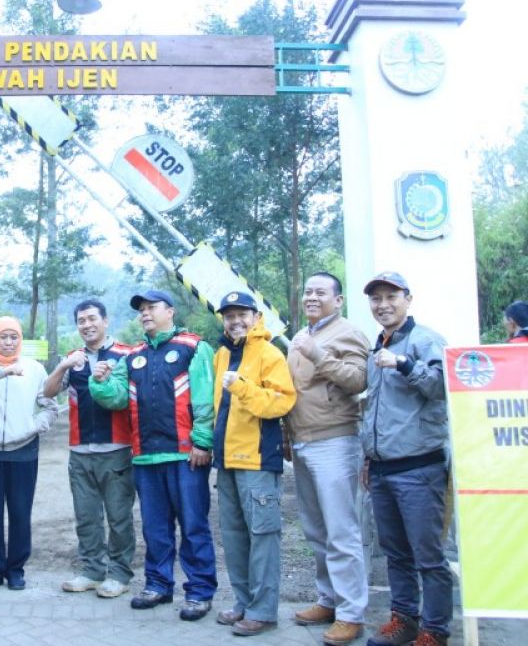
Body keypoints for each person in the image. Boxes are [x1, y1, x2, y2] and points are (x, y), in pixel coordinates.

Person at [90, 289, 217, 622]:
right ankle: (159, 585)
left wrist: (203, 441)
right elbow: (114, 398)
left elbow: (206, 398)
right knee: (155, 529)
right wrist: (99, 380)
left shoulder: (194, 347)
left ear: (170, 311)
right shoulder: (131, 356)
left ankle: (200, 591)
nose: (145, 313)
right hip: (145, 457)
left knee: (194, 526)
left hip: (186, 455)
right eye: (141, 309)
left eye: (151, 307)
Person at [362, 271, 452, 646]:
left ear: (408, 299)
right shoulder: (375, 348)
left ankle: (435, 631)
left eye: (391, 297)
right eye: (376, 298)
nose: (383, 305)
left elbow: (441, 387)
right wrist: (368, 459)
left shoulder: (425, 339)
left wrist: (403, 364)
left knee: (428, 557)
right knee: (395, 554)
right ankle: (404, 622)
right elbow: (375, 411)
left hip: (420, 469)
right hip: (383, 470)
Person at [286, 273, 369, 645]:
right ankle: (329, 599)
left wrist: (317, 354)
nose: (312, 297)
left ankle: (351, 613)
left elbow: (357, 380)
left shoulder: (347, 333)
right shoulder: (302, 335)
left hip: (335, 441)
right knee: (316, 529)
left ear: (339, 300)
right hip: (302, 442)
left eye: (321, 292)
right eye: (308, 291)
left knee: (341, 531)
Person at [212, 290, 296, 637]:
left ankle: (263, 611)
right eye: (229, 315)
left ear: (256, 316)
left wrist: (244, 388)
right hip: (227, 459)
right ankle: (244, 602)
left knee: (263, 536)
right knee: (233, 536)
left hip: (259, 460)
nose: (235, 321)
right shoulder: (221, 353)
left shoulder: (270, 353)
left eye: (241, 314)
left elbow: (282, 403)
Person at [42, 299, 135, 599]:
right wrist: (63, 365)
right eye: (81, 320)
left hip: (117, 449)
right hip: (80, 451)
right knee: (86, 515)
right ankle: (92, 571)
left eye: (92, 319)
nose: (87, 325)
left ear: (106, 321)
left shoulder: (126, 355)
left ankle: (119, 573)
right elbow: (48, 391)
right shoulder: (74, 358)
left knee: (119, 516)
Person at [0, 316, 57, 591]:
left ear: (20, 339)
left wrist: (35, 426)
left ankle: (16, 569)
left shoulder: (35, 368)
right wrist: (2, 371)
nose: (8, 342)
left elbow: (49, 405)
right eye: (3, 336)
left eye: (13, 336)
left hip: (24, 449)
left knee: (20, 512)